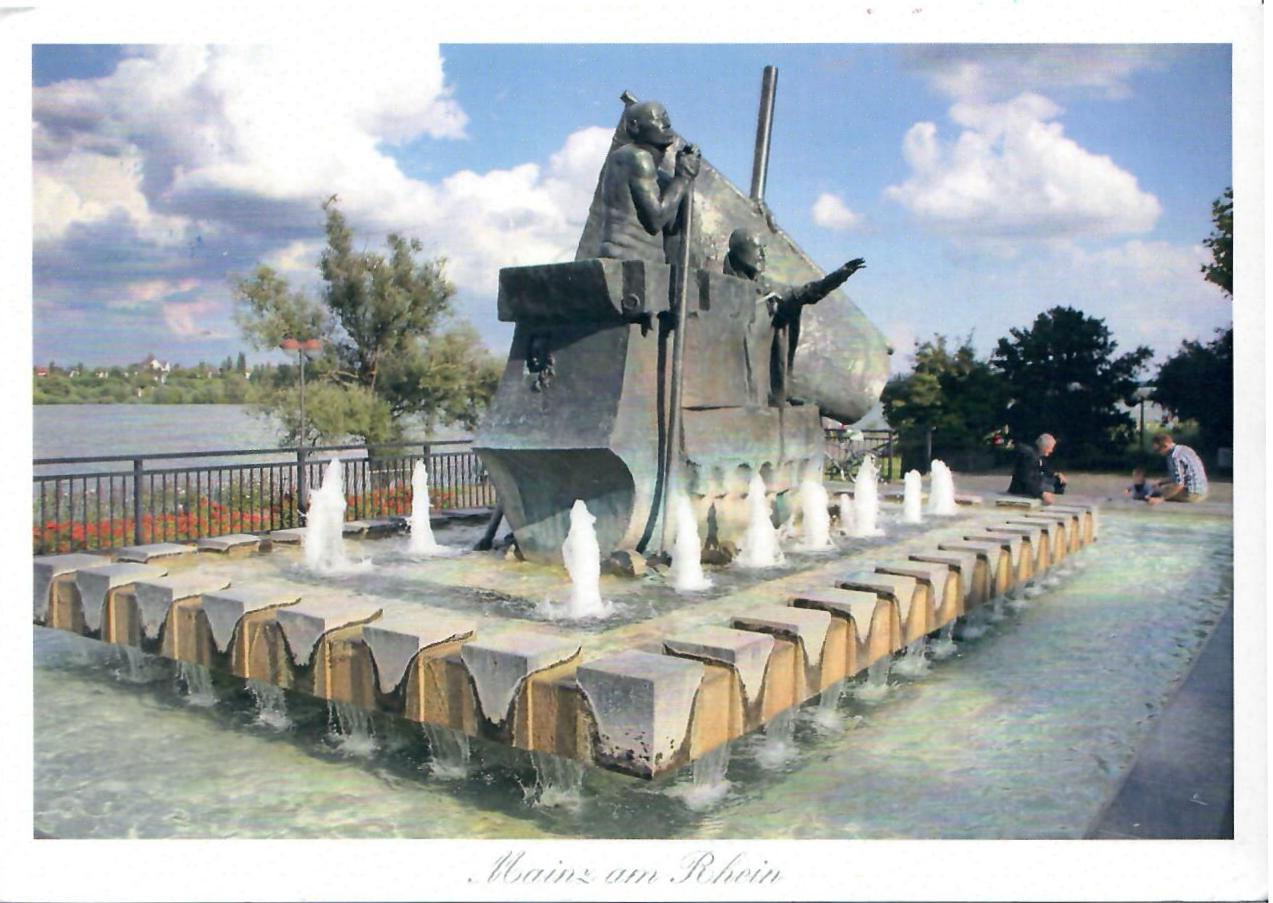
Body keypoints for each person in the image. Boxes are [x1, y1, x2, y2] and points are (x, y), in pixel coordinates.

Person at [723, 227, 865, 405]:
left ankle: (778, 392)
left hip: (758, 380)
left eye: (763, 250)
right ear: (741, 252)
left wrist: (839, 276)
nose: (762, 255)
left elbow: (808, 292)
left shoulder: (769, 289)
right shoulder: (718, 289)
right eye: (757, 249)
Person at [597, 100, 701, 264]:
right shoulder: (635, 157)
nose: (666, 123)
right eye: (658, 118)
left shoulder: (660, 177)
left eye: (666, 117)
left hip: (649, 263)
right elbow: (656, 220)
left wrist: (683, 183)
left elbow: (670, 226)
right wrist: (683, 177)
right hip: (627, 257)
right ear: (634, 126)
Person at [1147, 432, 1209, 504]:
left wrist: (1161, 499)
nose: (1159, 453)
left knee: (1157, 491)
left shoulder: (1174, 457)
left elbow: (1179, 485)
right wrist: (1160, 482)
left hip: (1191, 494)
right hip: (1202, 492)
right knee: (1163, 488)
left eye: (1158, 450)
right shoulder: (1184, 449)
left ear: (1165, 446)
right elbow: (1182, 477)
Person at [1007, 433, 1067, 505]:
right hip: (1023, 488)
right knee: (1057, 487)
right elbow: (1027, 480)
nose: (1051, 451)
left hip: (1036, 480)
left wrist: (1056, 474)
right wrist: (1042, 494)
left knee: (1059, 483)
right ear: (1045, 447)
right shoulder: (1030, 457)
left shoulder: (1037, 454)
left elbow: (1044, 467)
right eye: (1051, 448)